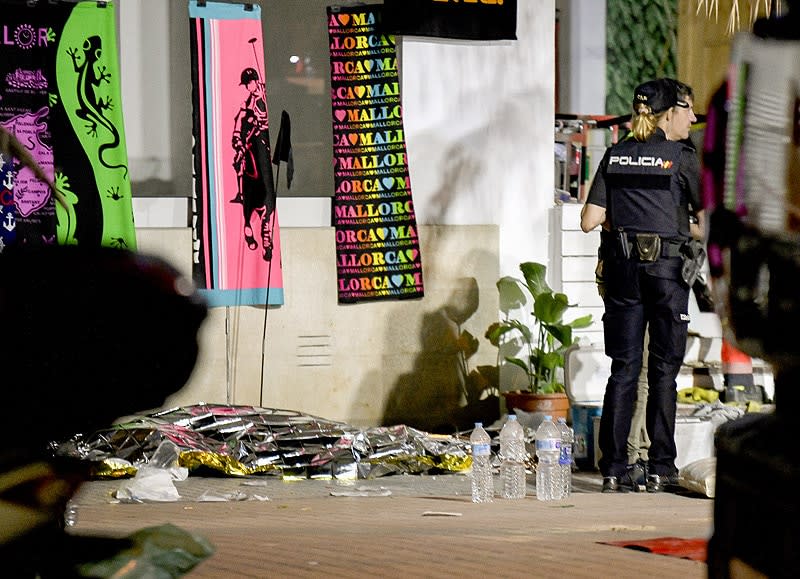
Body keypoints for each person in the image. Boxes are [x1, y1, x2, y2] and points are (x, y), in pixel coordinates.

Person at [581, 77, 703, 493]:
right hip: (666, 272)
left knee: (623, 369)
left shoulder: (615, 154)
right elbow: (706, 223)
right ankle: (659, 467)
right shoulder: (682, 158)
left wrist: (628, 219)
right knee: (665, 371)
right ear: (669, 113)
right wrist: (676, 225)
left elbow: (588, 220)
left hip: (622, 271)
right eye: (686, 110)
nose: (692, 118)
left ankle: (614, 469)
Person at [231, 66, 277, 261]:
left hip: (266, 141)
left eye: (248, 84)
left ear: (254, 81)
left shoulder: (265, 93)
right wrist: (237, 139)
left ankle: (266, 233)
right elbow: (240, 119)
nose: (248, 87)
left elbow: (267, 116)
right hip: (253, 141)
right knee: (240, 161)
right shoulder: (247, 101)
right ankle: (241, 193)